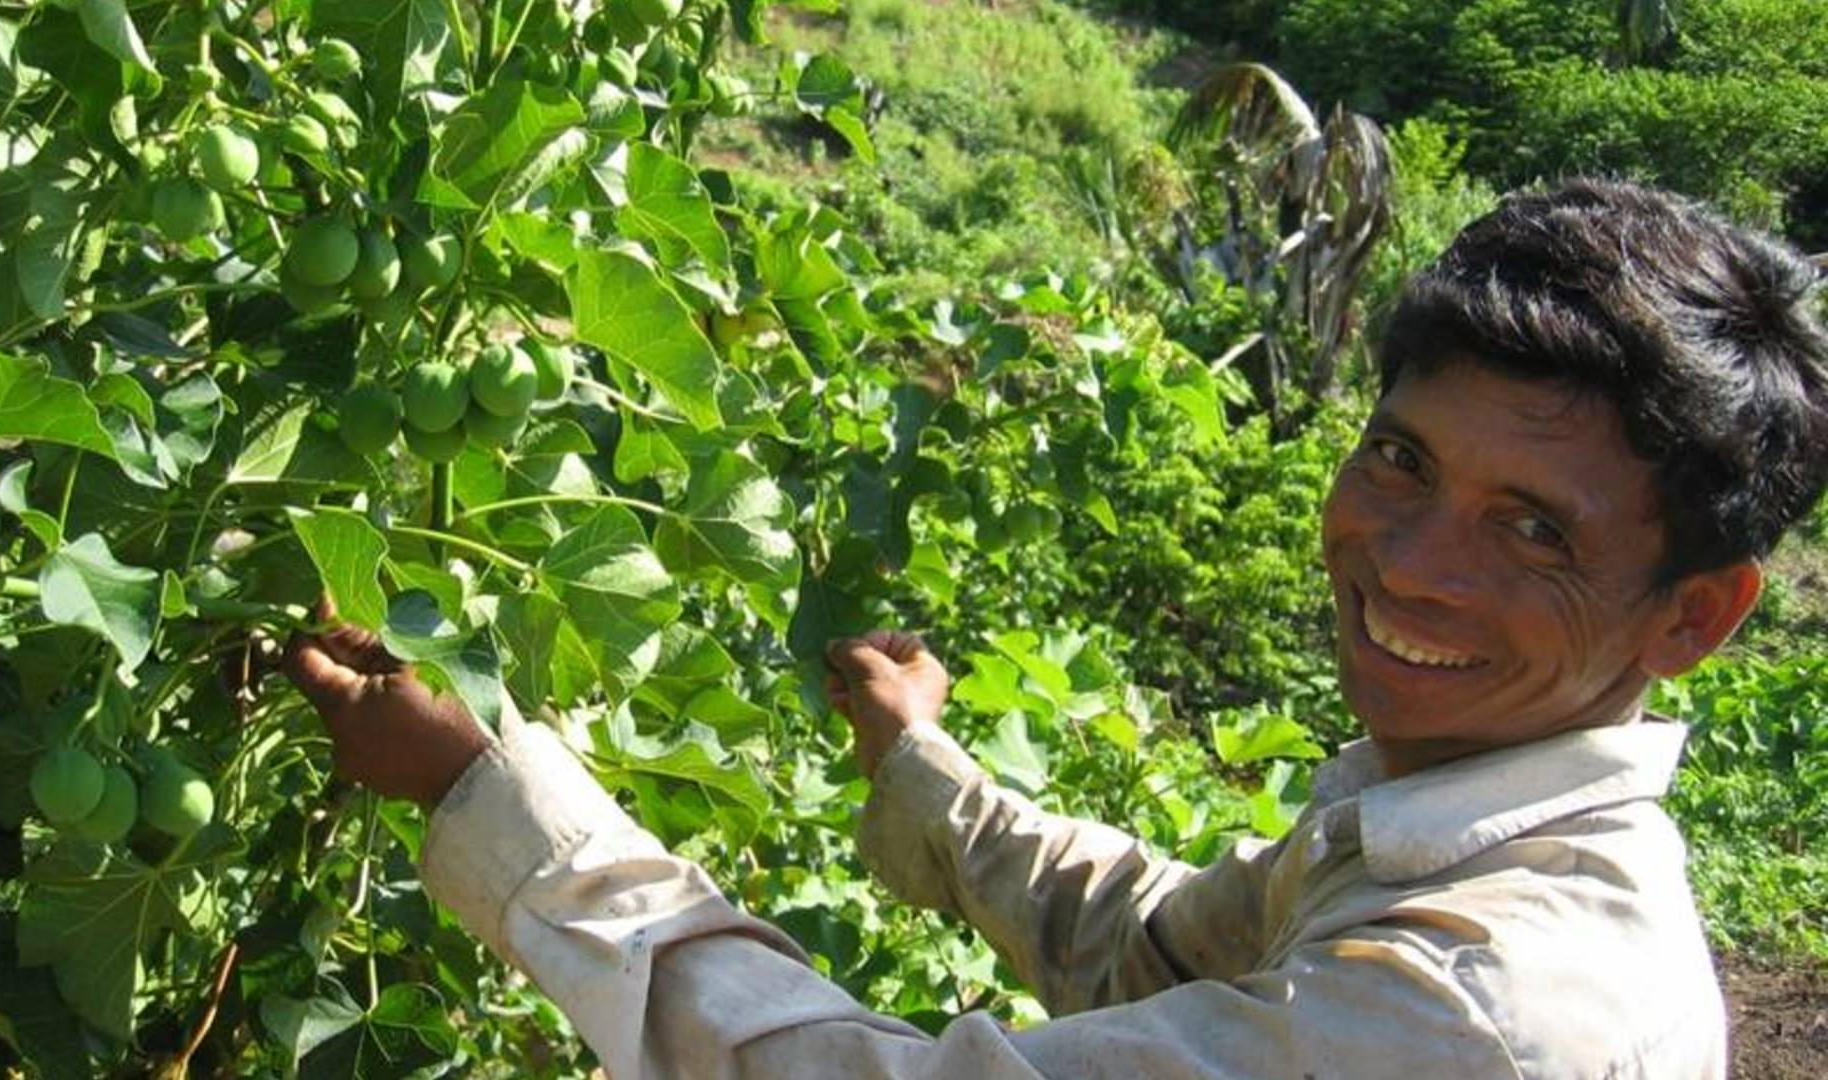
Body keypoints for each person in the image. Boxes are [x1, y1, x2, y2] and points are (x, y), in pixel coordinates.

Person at [283, 179, 1828, 1078]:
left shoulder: (1480, 1018)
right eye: (1403, 461)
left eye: (1534, 529)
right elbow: (1153, 943)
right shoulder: (1448, 833)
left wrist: (494, 807)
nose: (1410, 564)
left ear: (1694, 615)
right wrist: (923, 769)